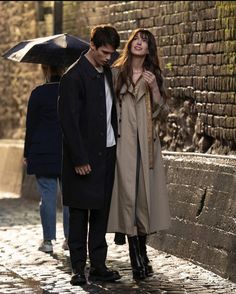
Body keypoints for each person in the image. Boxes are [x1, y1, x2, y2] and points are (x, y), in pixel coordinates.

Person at [58, 25, 121, 286]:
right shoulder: (73, 77)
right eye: (105, 52)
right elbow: (68, 122)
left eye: (112, 53)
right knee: (79, 214)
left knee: (100, 213)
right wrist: (80, 159)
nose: (109, 57)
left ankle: (98, 266)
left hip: (107, 153)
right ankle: (77, 268)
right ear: (92, 46)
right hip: (83, 158)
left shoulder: (106, 72)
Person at [107, 28, 171, 280]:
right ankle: (135, 259)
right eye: (136, 39)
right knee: (127, 199)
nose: (139, 43)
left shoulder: (153, 75)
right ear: (130, 44)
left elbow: (163, 112)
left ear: (149, 49)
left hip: (147, 146)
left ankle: (142, 251)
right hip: (123, 146)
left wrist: (154, 88)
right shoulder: (115, 73)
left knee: (144, 198)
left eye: (144, 41)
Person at [24, 64, 69, 253]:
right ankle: (70, 239)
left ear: (45, 70)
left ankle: (48, 241)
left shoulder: (38, 94)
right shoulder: (70, 92)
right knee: (70, 199)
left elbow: (31, 126)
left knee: (47, 198)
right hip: (68, 152)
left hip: (43, 153)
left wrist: (27, 153)